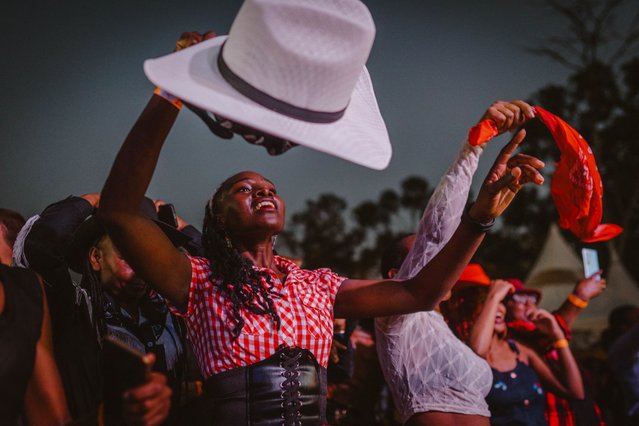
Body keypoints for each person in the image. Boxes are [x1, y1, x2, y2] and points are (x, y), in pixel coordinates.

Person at [97, 1, 544, 423]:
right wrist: (172, 93)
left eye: (270, 187)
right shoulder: (198, 280)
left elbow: (419, 294)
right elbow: (120, 211)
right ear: (218, 218)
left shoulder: (317, 288)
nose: (263, 192)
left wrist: (481, 215)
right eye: (243, 189)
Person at [375, 100, 540, 426]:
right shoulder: (394, 321)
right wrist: (473, 148)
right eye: (423, 256)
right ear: (395, 275)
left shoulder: (444, 329)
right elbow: (435, 234)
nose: (438, 257)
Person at [15, 194, 187, 423]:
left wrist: (184, 229)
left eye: (147, 256)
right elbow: (41, 247)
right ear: (96, 257)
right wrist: (94, 200)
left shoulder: (170, 315)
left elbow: (219, 286)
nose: (143, 267)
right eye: (128, 255)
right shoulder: (75, 309)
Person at [469, 279, 585, 426]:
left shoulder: (520, 350)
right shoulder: (468, 355)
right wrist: (494, 296)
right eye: (489, 304)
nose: (498, 309)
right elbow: (477, 350)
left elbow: (575, 392)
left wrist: (557, 334)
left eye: (500, 303)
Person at [504, 276, 606, 426]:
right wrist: (579, 297)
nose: (529, 303)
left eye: (531, 298)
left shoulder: (541, 331)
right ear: (502, 306)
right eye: (519, 298)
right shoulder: (511, 337)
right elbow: (545, 336)